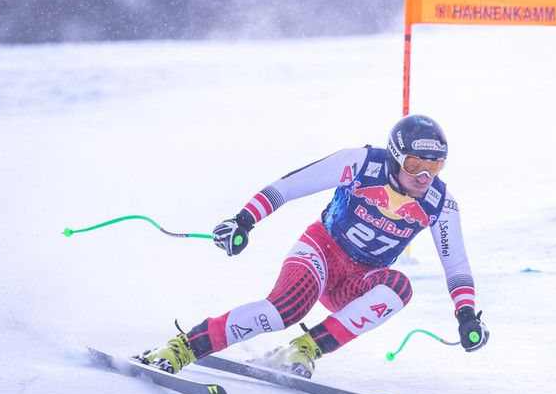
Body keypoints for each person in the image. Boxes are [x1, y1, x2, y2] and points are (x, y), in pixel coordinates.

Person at [135, 114, 489, 378]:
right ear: (396, 157)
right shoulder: (361, 163)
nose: (424, 177)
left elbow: (456, 266)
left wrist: (466, 315)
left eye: (435, 166)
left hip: (358, 281)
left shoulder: (440, 203)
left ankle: (304, 350)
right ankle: (182, 347)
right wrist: (244, 220)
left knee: (399, 288)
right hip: (321, 252)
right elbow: (289, 186)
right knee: (283, 311)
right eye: (414, 164)